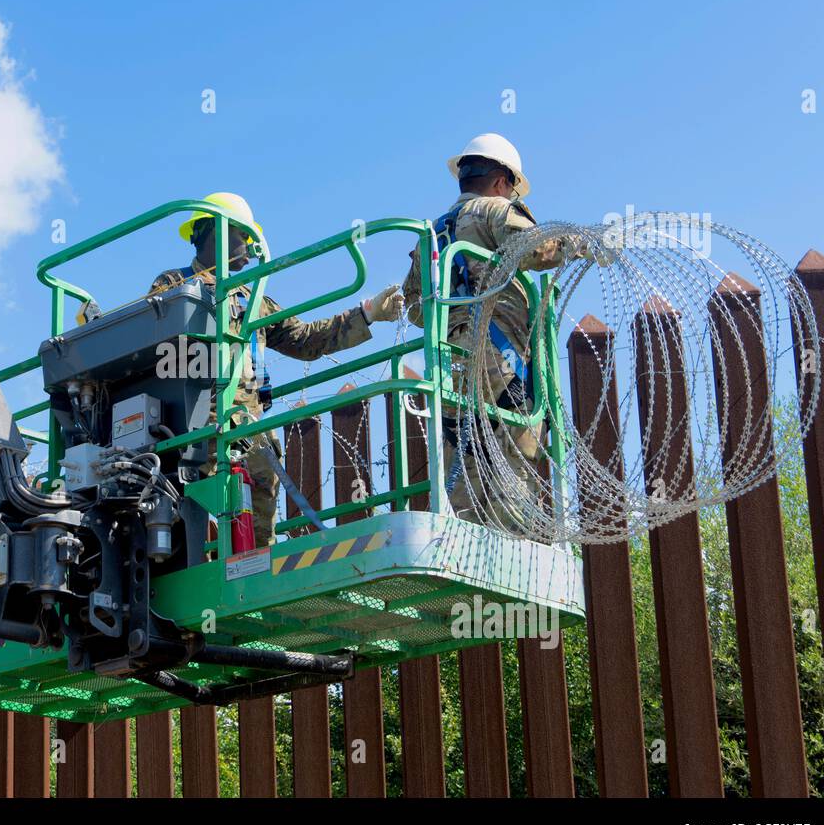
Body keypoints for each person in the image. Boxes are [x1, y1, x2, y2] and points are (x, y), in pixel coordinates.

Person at [150, 192, 404, 545]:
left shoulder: (254, 301)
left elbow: (305, 339)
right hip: (190, 424)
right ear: (216, 232)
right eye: (244, 236)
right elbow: (154, 338)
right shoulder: (174, 286)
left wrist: (367, 313)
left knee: (256, 526)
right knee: (190, 518)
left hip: (247, 429)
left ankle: (251, 575)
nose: (250, 245)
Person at [402, 134, 587, 530]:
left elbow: (415, 308)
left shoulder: (430, 234)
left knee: (466, 471)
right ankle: (513, 558)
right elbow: (538, 250)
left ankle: (464, 554)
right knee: (515, 468)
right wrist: (581, 244)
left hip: (452, 368)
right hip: (503, 362)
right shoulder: (493, 211)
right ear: (503, 181)